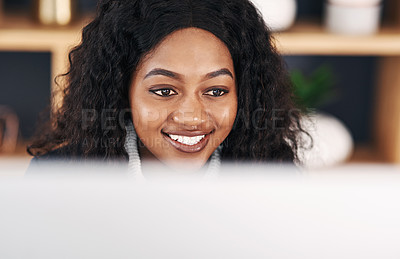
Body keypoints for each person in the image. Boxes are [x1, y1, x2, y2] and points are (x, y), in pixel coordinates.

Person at [27, 0, 306, 177]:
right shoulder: (58, 176)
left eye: (216, 91)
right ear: (122, 92)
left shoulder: (272, 175)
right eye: (164, 91)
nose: (192, 117)